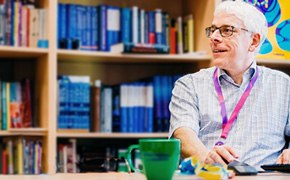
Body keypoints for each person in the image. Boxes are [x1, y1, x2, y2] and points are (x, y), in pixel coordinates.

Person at [169, 1, 290, 167]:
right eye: (212, 30)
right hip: (210, 176)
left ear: (254, 42)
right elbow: (182, 135)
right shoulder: (189, 85)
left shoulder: (284, 86)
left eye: (226, 30)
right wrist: (208, 159)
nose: (214, 38)